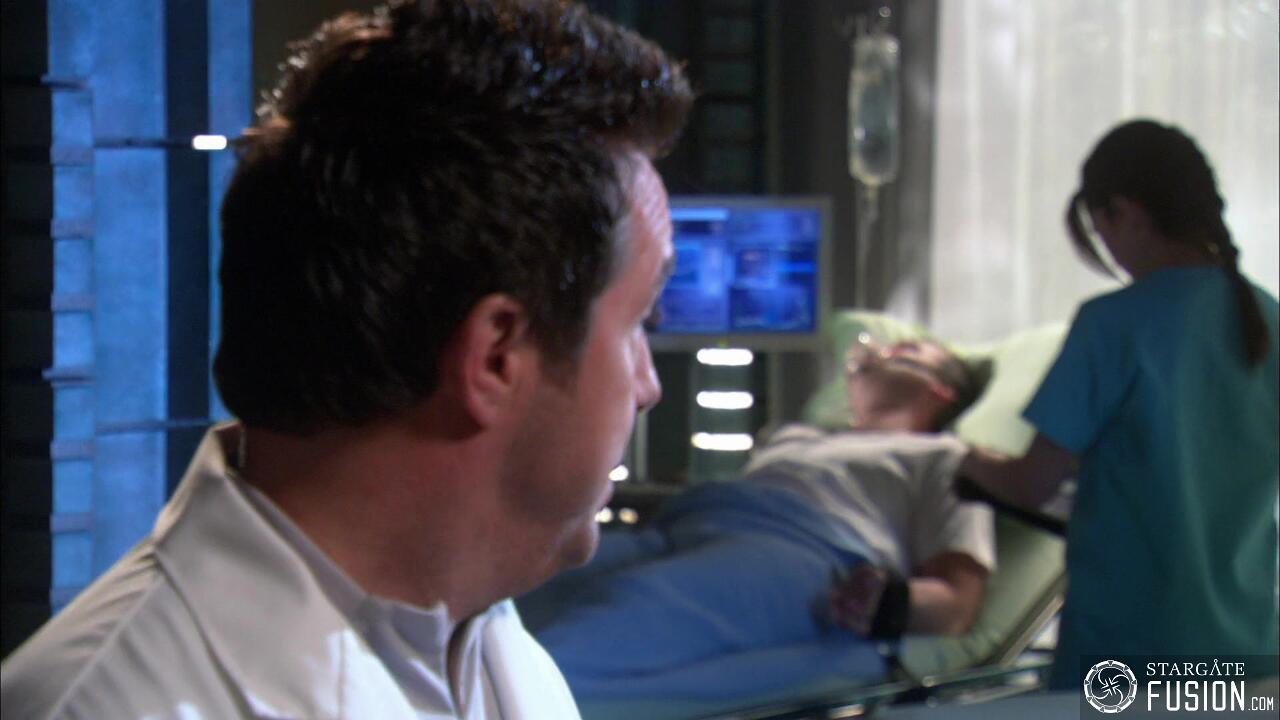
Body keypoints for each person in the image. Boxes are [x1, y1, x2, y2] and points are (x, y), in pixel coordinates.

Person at [0, 1, 692, 717]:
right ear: (496, 357)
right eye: (638, 321)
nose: (648, 387)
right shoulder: (107, 706)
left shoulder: (492, 655)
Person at [960, 119, 1280, 690]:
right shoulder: (1268, 321)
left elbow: (1031, 484)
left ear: (1126, 213)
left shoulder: (1111, 326)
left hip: (1128, 662)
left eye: (1100, 228)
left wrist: (964, 460)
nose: (1107, 248)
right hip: (1248, 663)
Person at [517, 338, 995, 701]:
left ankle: (510, 701)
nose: (881, 351)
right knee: (526, 588)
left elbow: (958, 603)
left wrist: (887, 601)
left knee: (623, 612)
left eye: (906, 350)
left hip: (805, 550)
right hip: (692, 523)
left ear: (939, 391)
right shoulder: (797, 437)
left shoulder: (945, 456)